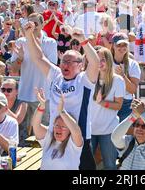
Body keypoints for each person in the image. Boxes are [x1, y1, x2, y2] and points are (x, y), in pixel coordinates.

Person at [24, 22, 99, 170]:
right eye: (64, 60)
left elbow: (95, 63)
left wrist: (84, 41)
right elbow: (38, 58)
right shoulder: (56, 75)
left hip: (78, 140)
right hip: (55, 137)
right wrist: (29, 36)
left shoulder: (84, 80)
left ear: (81, 65)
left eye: (71, 62)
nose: (66, 64)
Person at [90, 47, 125, 170]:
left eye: (103, 59)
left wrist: (102, 102)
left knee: (110, 165)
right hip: (89, 131)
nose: (99, 62)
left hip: (109, 130)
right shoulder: (88, 78)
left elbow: (118, 105)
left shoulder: (118, 80)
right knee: (85, 165)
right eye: (97, 59)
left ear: (109, 60)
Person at [32, 88, 83, 170]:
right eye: (57, 126)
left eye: (63, 127)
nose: (59, 129)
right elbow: (36, 125)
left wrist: (62, 112)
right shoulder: (49, 139)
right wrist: (41, 106)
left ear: (70, 131)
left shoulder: (73, 144)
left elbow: (76, 131)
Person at [110, 33, 141, 122]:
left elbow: (132, 89)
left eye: (124, 45)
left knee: (124, 133)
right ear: (113, 46)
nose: (122, 47)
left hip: (126, 104)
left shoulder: (133, 64)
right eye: (119, 45)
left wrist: (122, 76)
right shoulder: (106, 62)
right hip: (110, 101)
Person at [0, 79, 28, 147]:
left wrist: (5, 108)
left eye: (9, 90)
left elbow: (17, 120)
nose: (5, 92)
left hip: (18, 141)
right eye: (3, 90)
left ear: (17, 92)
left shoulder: (22, 103)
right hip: (0, 139)